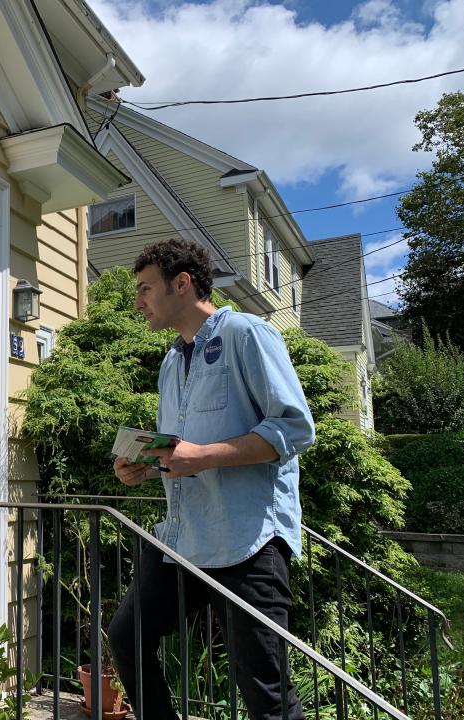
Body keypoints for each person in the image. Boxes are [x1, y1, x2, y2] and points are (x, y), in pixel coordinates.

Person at [108, 238, 316, 720]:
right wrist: (142, 465)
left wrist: (202, 456)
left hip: (249, 542)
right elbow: (180, 449)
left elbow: (293, 428)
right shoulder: (168, 362)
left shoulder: (247, 333)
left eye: (145, 289)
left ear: (182, 284)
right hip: (185, 539)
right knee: (127, 635)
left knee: (264, 689)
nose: (138, 301)